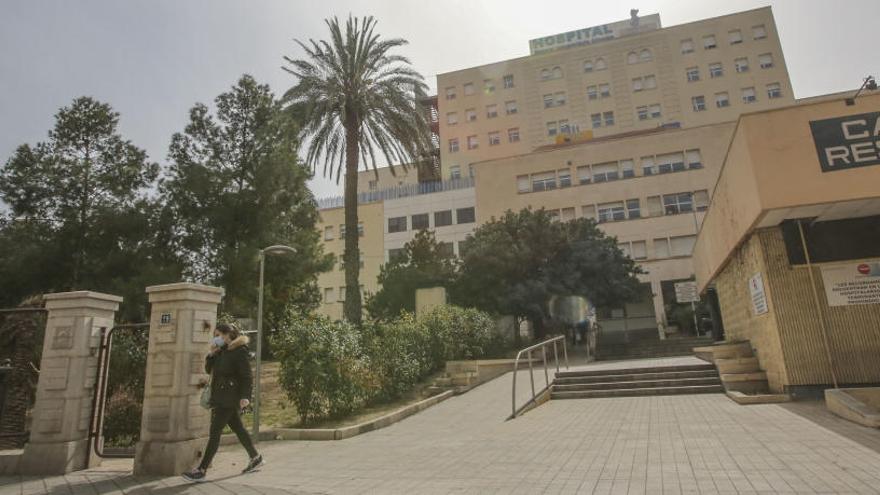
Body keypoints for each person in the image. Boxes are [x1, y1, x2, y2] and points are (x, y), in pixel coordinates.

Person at [183, 323, 263, 482]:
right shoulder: (221, 351)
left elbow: (246, 377)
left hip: (230, 398)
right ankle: (255, 456)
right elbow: (209, 370)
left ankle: (202, 469)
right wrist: (211, 355)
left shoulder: (239, 351)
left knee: (214, 432)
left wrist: (245, 396)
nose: (216, 338)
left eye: (218, 334)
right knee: (238, 428)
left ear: (227, 335)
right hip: (220, 396)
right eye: (215, 335)